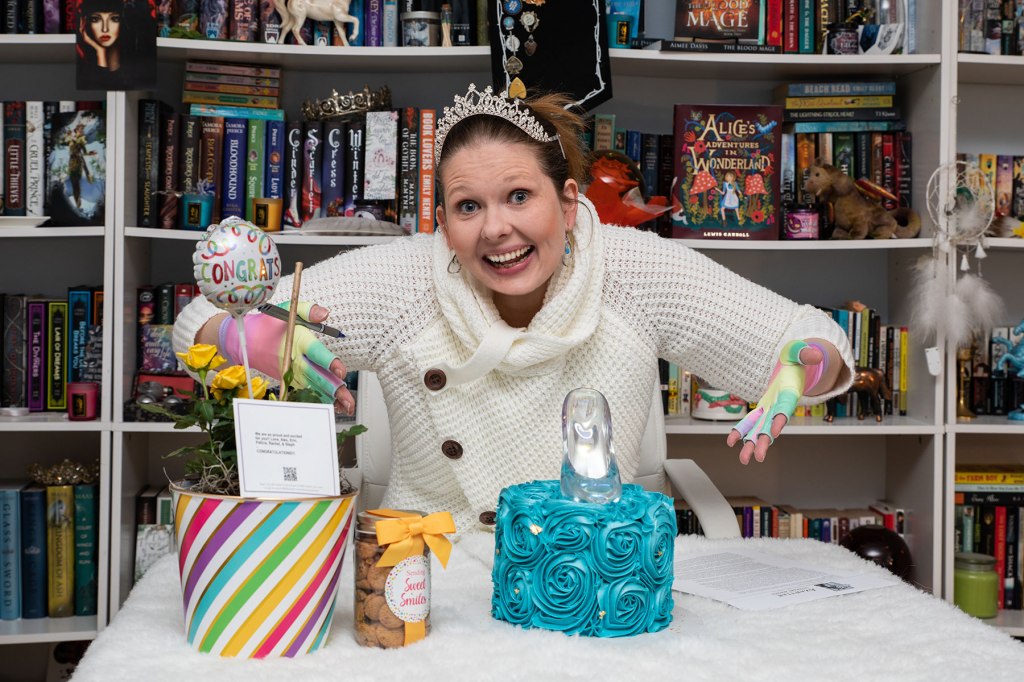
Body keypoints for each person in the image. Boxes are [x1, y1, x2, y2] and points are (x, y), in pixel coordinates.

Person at [173, 84, 855, 532]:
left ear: (566, 200)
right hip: (431, 576)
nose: (495, 228)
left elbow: (805, 338)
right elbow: (205, 315)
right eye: (469, 207)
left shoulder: (631, 266)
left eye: (519, 197)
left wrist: (804, 367)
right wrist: (250, 341)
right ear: (442, 222)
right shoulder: (407, 279)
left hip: (589, 578)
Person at [78, 0, 123, 75]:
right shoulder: (82, 68)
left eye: (114, 19)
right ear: (84, 22)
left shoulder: (136, 65)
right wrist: (100, 52)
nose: (105, 29)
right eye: (95, 19)